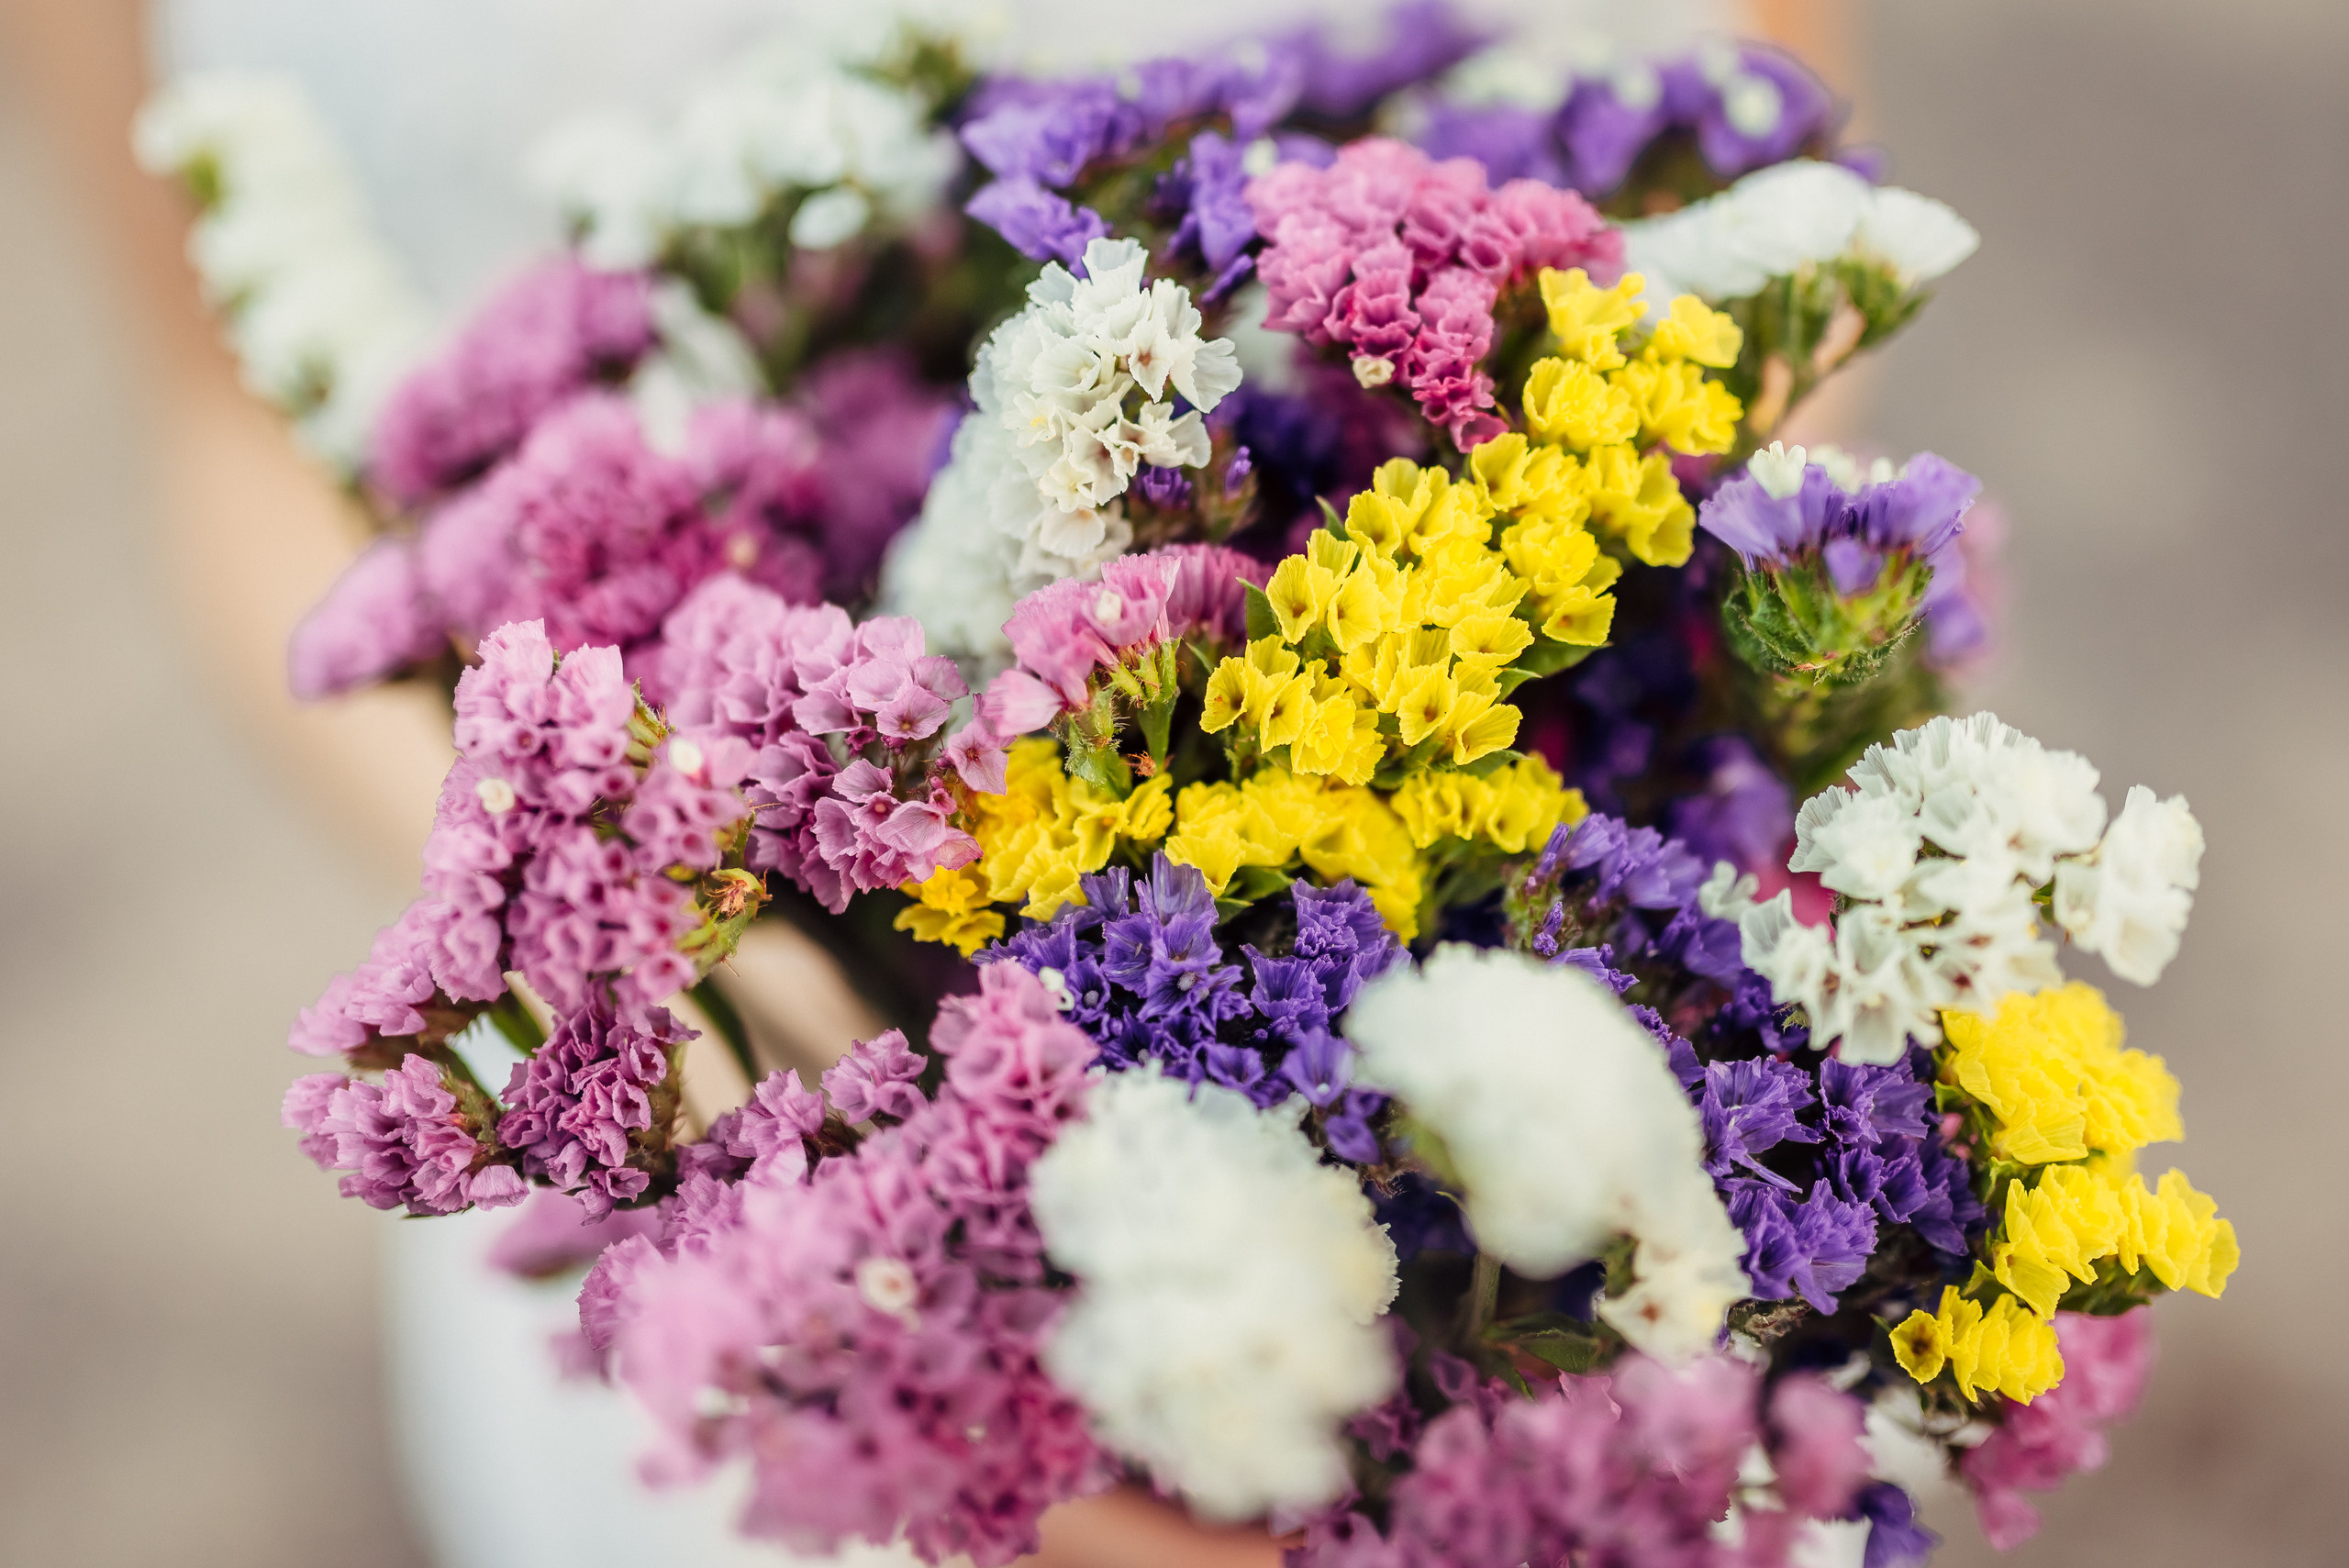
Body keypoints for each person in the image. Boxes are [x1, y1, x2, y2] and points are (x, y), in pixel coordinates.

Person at [0, 4, 1851, 1564]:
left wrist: (1709, 701)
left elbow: (1768, 194)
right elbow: (231, 428)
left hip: (1530, 964)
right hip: (724, 1081)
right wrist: (718, 976)